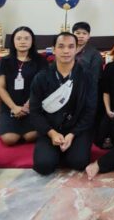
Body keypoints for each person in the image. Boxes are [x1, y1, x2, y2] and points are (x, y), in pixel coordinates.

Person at [29, 32, 96, 175]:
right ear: (54, 49)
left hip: (77, 129)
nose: (66, 51)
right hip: (50, 129)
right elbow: (35, 111)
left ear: (77, 49)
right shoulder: (41, 77)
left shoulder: (86, 76)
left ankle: (68, 150)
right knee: (43, 166)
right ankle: (54, 151)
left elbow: (90, 110)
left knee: (78, 162)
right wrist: (51, 133)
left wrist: (72, 134)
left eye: (71, 46)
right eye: (61, 46)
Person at [0, 26, 48, 146]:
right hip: (10, 107)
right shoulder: (4, 61)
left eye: (26, 38)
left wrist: (27, 106)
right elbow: (1, 87)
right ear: (13, 41)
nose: (23, 41)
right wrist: (14, 107)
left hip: (33, 106)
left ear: (32, 41)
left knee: (30, 136)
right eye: (19, 38)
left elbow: (42, 87)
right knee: (9, 139)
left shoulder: (41, 61)